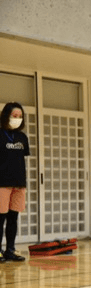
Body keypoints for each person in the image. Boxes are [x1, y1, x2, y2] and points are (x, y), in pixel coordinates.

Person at [0, 102, 29, 262]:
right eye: (14, 116)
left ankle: (10, 249)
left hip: (18, 183)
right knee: (0, 218)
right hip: (2, 183)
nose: (17, 119)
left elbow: (20, 159)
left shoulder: (22, 137)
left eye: (20, 116)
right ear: (6, 116)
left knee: (13, 218)